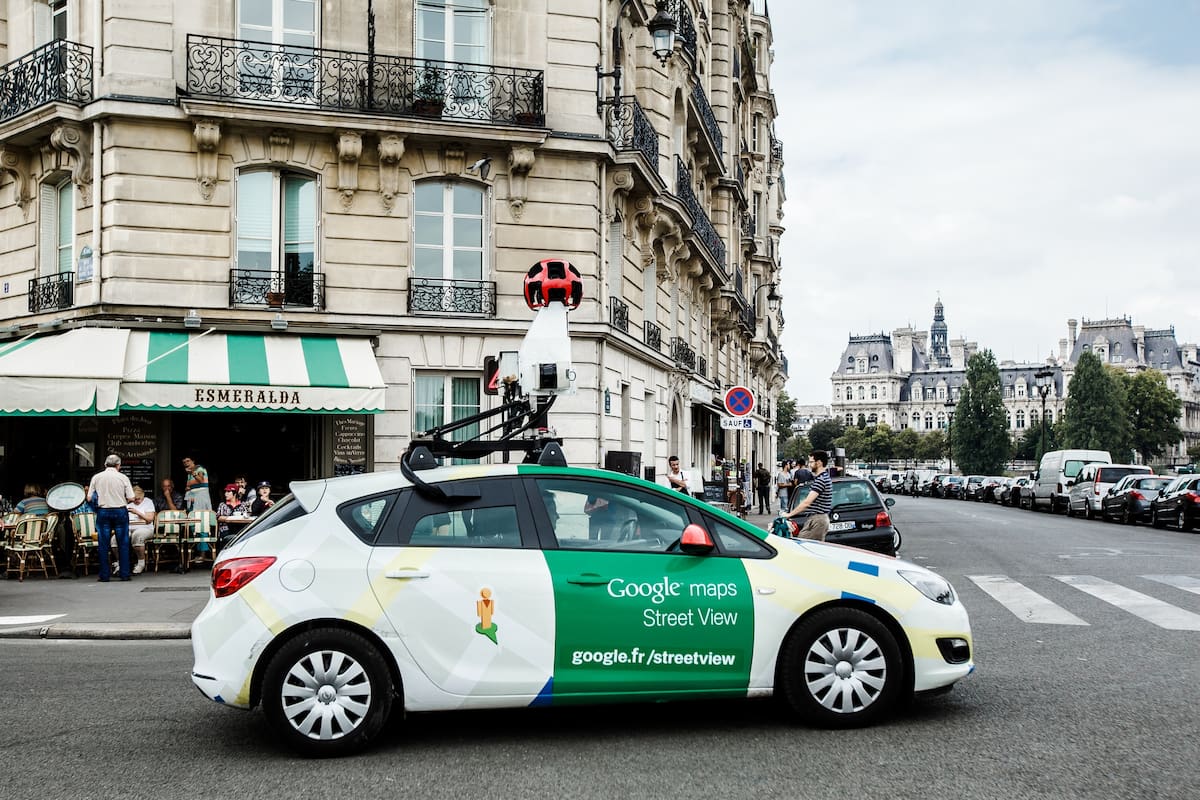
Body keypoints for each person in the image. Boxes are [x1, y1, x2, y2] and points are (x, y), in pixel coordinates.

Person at [89, 454, 135, 581]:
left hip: (103, 511)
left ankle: (104, 575)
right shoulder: (123, 477)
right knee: (123, 543)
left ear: (105, 465)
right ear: (118, 465)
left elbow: (89, 497)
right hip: (120, 510)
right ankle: (125, 574)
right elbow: (131, 498)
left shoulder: (96, 477)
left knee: (103, 544)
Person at [780, 450, 833, 541]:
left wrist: (789, 514)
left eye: (811, 462)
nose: (809, 465)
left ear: (819, 463)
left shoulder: (821, 480)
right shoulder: (823, 477)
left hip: (818, 519)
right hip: (818, 519)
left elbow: (807, 502)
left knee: (803, 545)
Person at [125, 485, 156, 574]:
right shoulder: (129, 504)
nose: (136, 501)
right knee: (115, 539)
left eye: (138, 499)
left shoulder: (148, 502)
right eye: (134, 499)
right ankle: (120, 563)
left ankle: (141, 563)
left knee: (137, 535)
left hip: (145, 528)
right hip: (130, 528)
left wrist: (137, 512)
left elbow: (149, 519)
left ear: (142, 496)